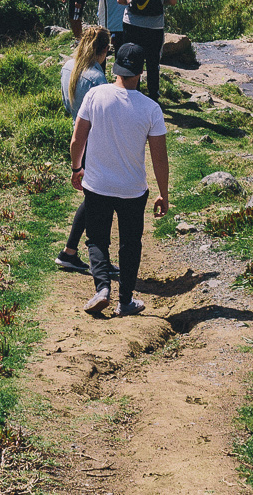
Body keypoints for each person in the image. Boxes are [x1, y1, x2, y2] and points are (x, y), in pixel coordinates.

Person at [70, 42, 169, 316]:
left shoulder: (95, 95)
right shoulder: (151, 109)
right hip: (133, 190)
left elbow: (78, 139)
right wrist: (164, 193)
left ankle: (102, 288)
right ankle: (125, 301)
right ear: (140, 72)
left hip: (97, 185)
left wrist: (77, 168)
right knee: (130, 243)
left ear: (115, 67)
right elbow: (160, 158)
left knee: (97, 239)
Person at [54, 27, 115, 274]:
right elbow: (106, 115)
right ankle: (99, 260)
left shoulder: (68, 67)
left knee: (94, 199)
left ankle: (69, 252)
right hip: (97, 141)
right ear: (103, 51)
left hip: (79, 134)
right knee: (101, 201)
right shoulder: (97, 78)